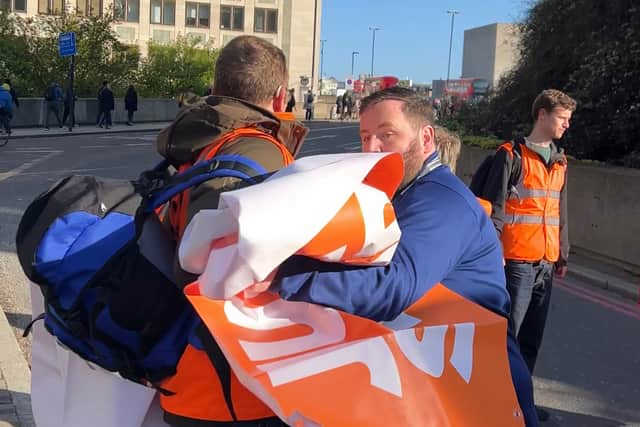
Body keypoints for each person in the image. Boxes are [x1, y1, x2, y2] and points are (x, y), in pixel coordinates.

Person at [269, 87, 538, 426]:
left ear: (426, 138)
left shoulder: (442, 201)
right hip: (446, 385)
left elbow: (392, 286)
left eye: (387, 135)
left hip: (485, 395)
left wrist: (281, 273)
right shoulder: (402, 193)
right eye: (365, 137)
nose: (371, 149)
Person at [155, 35, 308, 426]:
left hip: (187, 365)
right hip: (233, 386)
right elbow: (222, 264)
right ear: (279, 96)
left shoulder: (199, 141)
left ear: (216, 87)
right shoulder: (259, 151)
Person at [479, 88, 576, 422]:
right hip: (516, 261)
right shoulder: (512, 155)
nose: (567, 125)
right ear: (542, 115)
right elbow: (493, 209)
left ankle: (523, 401)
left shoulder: (560, 161)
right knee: (510, 339)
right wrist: (492, 254)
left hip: (545, 262)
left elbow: (561, 213)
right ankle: (497, 402)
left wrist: (561, 255)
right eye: (563, 118)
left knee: (531, 340)